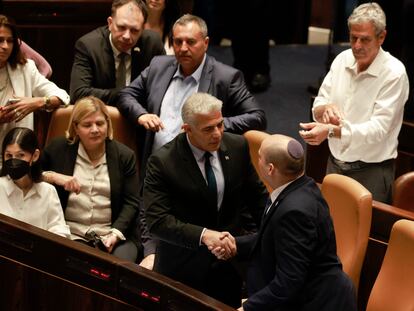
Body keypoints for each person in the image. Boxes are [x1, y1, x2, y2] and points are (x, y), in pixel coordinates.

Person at [143, 92, 268, 308]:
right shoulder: (163, 162)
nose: (218, 134)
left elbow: (258, 199)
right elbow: (157, 221)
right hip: (182, 268)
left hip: (227, 266)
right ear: (187, 129)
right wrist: (204, 235)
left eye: (219, 124)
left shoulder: (237, 147)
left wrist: (276, 229)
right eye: (208, 129)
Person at [118, 14, 267, 181]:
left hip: (198, 175)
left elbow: (257, 117)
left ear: (206, 43)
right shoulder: (158, 66)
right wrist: (141, 114)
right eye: (177, 41)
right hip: (155, 170)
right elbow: (126, 94)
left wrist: (212, 126)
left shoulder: (226, 78)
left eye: (190, 42)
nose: (182, 48)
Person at [230, 134, 356, 311]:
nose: (257, 161)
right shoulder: (302, 186)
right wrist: (234, 244)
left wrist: (248, 307)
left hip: (318, 303)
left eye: (260, 157)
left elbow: (289, 280)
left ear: (270, 168)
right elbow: (273, 238)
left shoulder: (294, 211)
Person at [299, 2, 409, 203]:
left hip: (371, 172)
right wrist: (325, 109)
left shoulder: (394, 73)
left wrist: (331, 131)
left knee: (366, 234)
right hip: (334, 164)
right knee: (329, 229)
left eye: (365, 39)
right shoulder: (342, 59)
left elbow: (378, 130)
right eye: (353, 38)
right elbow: (320, 103)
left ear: (381, 37)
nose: (357, 46)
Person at [40, 96, 153, 266]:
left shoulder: (124, 156)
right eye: (87, 125)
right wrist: (54, 177)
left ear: (108, 125)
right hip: (69, 232)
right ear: (75, 127)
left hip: (113, 234)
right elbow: (33, 175)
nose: (95, 129)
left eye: (100, 124)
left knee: (119, 268)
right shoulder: (58, 148)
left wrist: (115, 233)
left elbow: (132, 202)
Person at [0, 15, 70, 167]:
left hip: (18, 160)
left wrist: (38, 102)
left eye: (10, 41)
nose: (5, 46)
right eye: (0, 40)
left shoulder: (25, 69)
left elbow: (63, 97)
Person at [69, 0, 166, 106]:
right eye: (121, 28)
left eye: (134, 30)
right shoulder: (88, 46)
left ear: (143, 29)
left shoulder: (152, 44)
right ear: (110, 23)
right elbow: (78, 93)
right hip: (102, 116)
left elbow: (164, 87)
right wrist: (128, 95)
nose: (126, 36)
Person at [0, 127, 70, 238]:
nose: (14, 161)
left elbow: (59, 231)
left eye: (20, 155)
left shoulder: (48, 191)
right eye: (9, 155)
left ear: (35, 156)